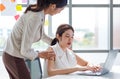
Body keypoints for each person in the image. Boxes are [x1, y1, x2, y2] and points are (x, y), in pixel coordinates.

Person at [2, 0, 67, 79]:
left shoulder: (40, 13)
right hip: (13, 55)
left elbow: (41, 35)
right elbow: (24, 50)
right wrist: (40, 54)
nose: (60, 12)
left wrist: (55, 43)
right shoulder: (36, 17)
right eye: (61, 9)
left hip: (12, 54)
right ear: (53, 6)